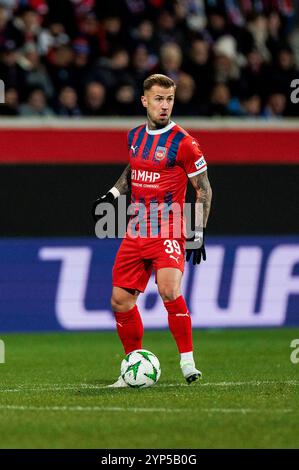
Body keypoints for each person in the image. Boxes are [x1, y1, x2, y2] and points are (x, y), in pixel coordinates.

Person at [93, 74, 212, 387]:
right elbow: (134, 167)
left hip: (169, 226)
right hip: (136, 229)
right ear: (144, 100)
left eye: (169, 99)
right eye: (159, 99)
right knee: (120, 300)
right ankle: (132, 366)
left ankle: (187, 363)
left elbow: (204, 190)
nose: (165, 106)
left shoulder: (184, 143)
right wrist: (113, 195)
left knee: (169, 289)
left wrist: (197, 232)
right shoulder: (135, 136)